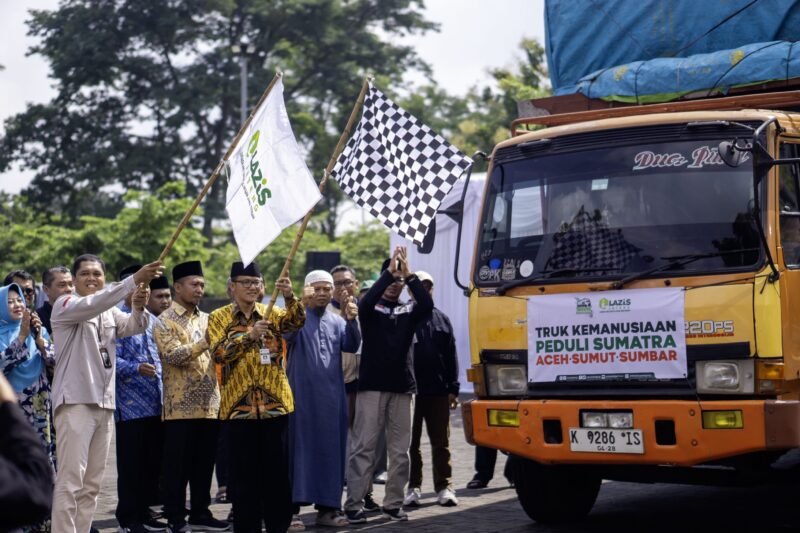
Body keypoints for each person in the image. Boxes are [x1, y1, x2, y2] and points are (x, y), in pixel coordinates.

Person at [50, 255, 162, 533]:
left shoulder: (109, 311)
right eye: (85, 274)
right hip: (75, 401)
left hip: (104, 403)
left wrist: (138, 306)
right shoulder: (66, 304)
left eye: (97, 274)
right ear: (74, 280)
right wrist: (132, 281)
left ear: (104, 277)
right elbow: (94, 304)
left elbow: (135, 326)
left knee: (92, 485)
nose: (92, 278)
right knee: (71, 481)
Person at [207, 262, 305, 533]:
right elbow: (219, 354)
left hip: (276, 406)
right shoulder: (218, 317)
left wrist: (290, 295)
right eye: (245, 282)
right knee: (243, 478)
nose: (252, 287)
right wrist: (249, 336)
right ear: (232, 286)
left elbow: (297, 322)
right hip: (238, 409)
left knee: (277, 475)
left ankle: (278, 526)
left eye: (256, 282)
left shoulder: (273, 313)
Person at [344, 246, 433, 524]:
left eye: (399, 281)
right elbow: (366, 302)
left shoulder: (410, 309)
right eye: (391, 279)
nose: (395, 284)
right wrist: (390, 273)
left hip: (402, 387)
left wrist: (409, 275)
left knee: (400, 451)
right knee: (364, 448)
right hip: (372, 386)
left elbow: (427, 306)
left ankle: (393, 503)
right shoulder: (370, 308)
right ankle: (354, 503)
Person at [153, 261, 228, 533]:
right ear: (178, 287)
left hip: (209, 403)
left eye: (202, 285)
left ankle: (200, 513)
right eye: (194, 284)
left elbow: (219, 354)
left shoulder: (208, 318)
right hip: (179, 407)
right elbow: (173, 356)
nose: (199, 289)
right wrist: (205, 341)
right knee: (177, 467)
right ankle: (175, 517)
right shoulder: (164, 320)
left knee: (204, 464)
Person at [287, 270, 360, 529]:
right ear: (306, 290)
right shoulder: (297, 318)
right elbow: (287, 334)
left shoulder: (338, 321)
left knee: (331, 453)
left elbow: (352, 345)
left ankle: (328, 509)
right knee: (298, 453)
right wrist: (295, 302)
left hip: (331, 401)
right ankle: (291, 511)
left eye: (326, 289)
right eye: (316, 289)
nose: (321, 293)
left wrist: (352, 320)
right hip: (301, 400)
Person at [114, 265, 168, 533]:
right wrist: (135, 368)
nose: (142, 292)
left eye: (145, 287)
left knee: (150, 463)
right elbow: (109, 359)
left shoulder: (153, 320)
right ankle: (128, 518)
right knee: (130, 465)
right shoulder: (115, 317)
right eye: (137, 286)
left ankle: (145, 511)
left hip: (156, 401)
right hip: (130, 404)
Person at [0, 282, 56, 533]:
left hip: (41, 403)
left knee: (43, 460)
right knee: (19, 460)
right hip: (14, 410)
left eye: (19, 300)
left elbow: (54, 360)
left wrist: (40, 340)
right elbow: (3, 366)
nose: (16, 305)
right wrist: (21, 337)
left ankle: (45, 524)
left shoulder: (37, 329)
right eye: (10, 301)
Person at [402, 271, 460, 508]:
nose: (423, 290)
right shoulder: (404, 315)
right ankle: (413, 487)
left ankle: (444, 487)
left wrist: (453, 388)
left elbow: (451, 354)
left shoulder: (442, 319)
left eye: (428, 286)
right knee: (410, 445)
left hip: (438, 390)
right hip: (410, 391)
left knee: (441, 442)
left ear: (432, 289)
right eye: (419, 286)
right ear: (409, 290)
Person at [0, 372, 53, 532]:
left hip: (38, 396)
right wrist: (7, 403)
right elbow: (35, 491)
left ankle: (42, 525)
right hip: (16, 402)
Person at [38, 266, 74, 337]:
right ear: (46, 289)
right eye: (62, 285)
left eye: (71, 284)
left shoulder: (79, 311)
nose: (69, 289)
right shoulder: (37, 318)